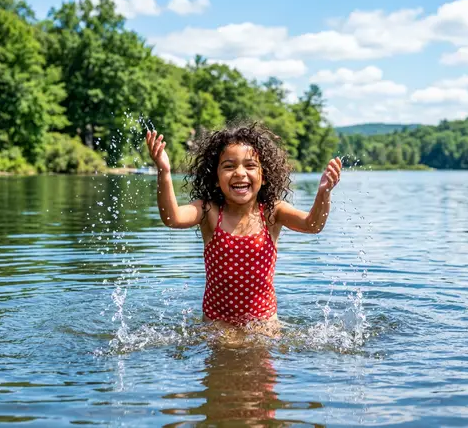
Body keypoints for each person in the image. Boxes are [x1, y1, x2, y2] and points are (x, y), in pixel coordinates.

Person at [146, 122, 342, 329]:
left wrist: (323, 193)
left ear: (264, 177)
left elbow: (312, 225)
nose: (240, 172)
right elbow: (172, 218)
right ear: (215, 178)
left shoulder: (272, 212)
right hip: (217, 324)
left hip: (264, 324)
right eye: (229, 166)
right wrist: (164, 171)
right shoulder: (208, 211)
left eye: (250, 165)